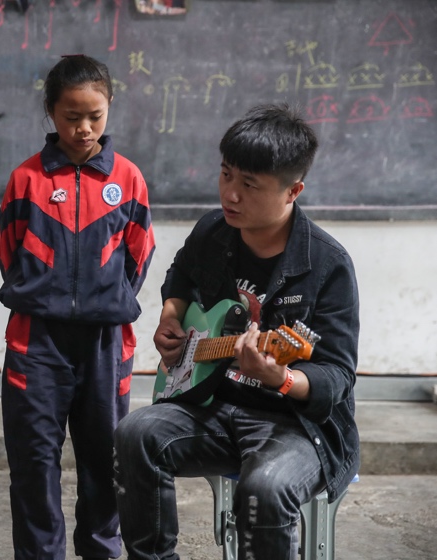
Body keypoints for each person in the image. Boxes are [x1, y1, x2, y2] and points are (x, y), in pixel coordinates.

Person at [113, 104, 360, 559]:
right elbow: (181, 275)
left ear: (293, 191)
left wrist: (281, 378)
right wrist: (172, 314)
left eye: (249, 185)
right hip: (213, 404)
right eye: (226, 175)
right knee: (134, 433)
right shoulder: (214, 231)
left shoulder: (327, 265)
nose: (231, 194)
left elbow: (337, 376)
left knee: (264, 487)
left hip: (297, 426)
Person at [0, 54, 155, 559]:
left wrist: (101, 303)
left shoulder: (128, 180)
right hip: (35, 344)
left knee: (104, 466)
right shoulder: (26, 180)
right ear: (50, 112)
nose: (84, 129)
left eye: (95, 116)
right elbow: (9, 252)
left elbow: (139, 257)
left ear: (109, 109)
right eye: (71, 117)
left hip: (107, 344)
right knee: (34, 467)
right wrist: (49, 298)